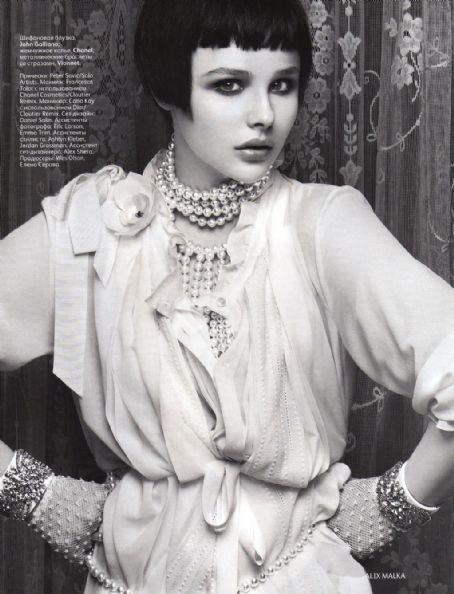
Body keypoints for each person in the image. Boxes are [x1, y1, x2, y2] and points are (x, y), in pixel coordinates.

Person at [1, 1, 454, 593]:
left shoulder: (322, 225)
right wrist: (37, 494)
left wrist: (395, 502)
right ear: (166, 88)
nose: (264, 115)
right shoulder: (89, 227)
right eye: (230, 85)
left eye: (282, 85)